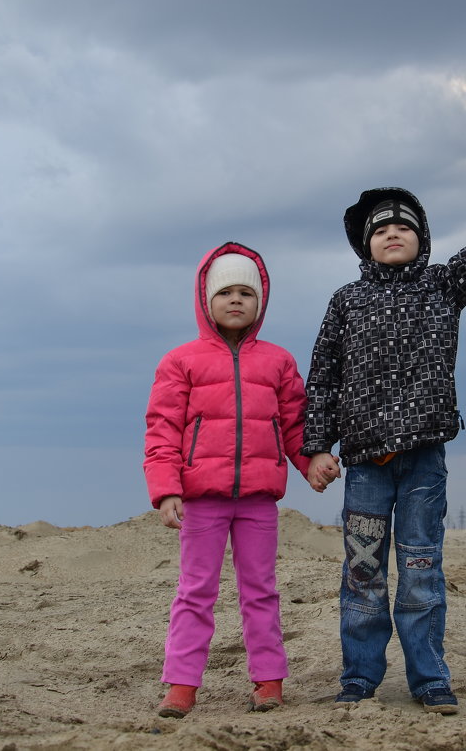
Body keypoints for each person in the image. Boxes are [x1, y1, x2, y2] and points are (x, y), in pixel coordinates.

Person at [303, 160, 466, 714]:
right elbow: (323, 377)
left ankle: (429, 678)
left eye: (403, 227)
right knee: (363, 573)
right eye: (379, 229)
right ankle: (359, 677)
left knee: (422, 572)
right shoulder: (346, 301)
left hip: (424, 461)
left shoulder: (442, 286)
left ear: (420, 240)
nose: (391, 233)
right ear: (365, 245)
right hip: (366, 466)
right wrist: (317, 448)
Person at [144, 242, 326, 718]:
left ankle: (269, 682)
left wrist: (311, 464)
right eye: (226, 292)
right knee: (195, 591)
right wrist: (166, 490)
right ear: (207, 300)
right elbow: (162, 429)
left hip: (259, 501)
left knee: (260, 590)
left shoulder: (279, 362)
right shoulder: (180, 361)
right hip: (201, 499)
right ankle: (181, 686)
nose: (236, 300)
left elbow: (294, 425)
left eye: (247, 291)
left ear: (260, 302)